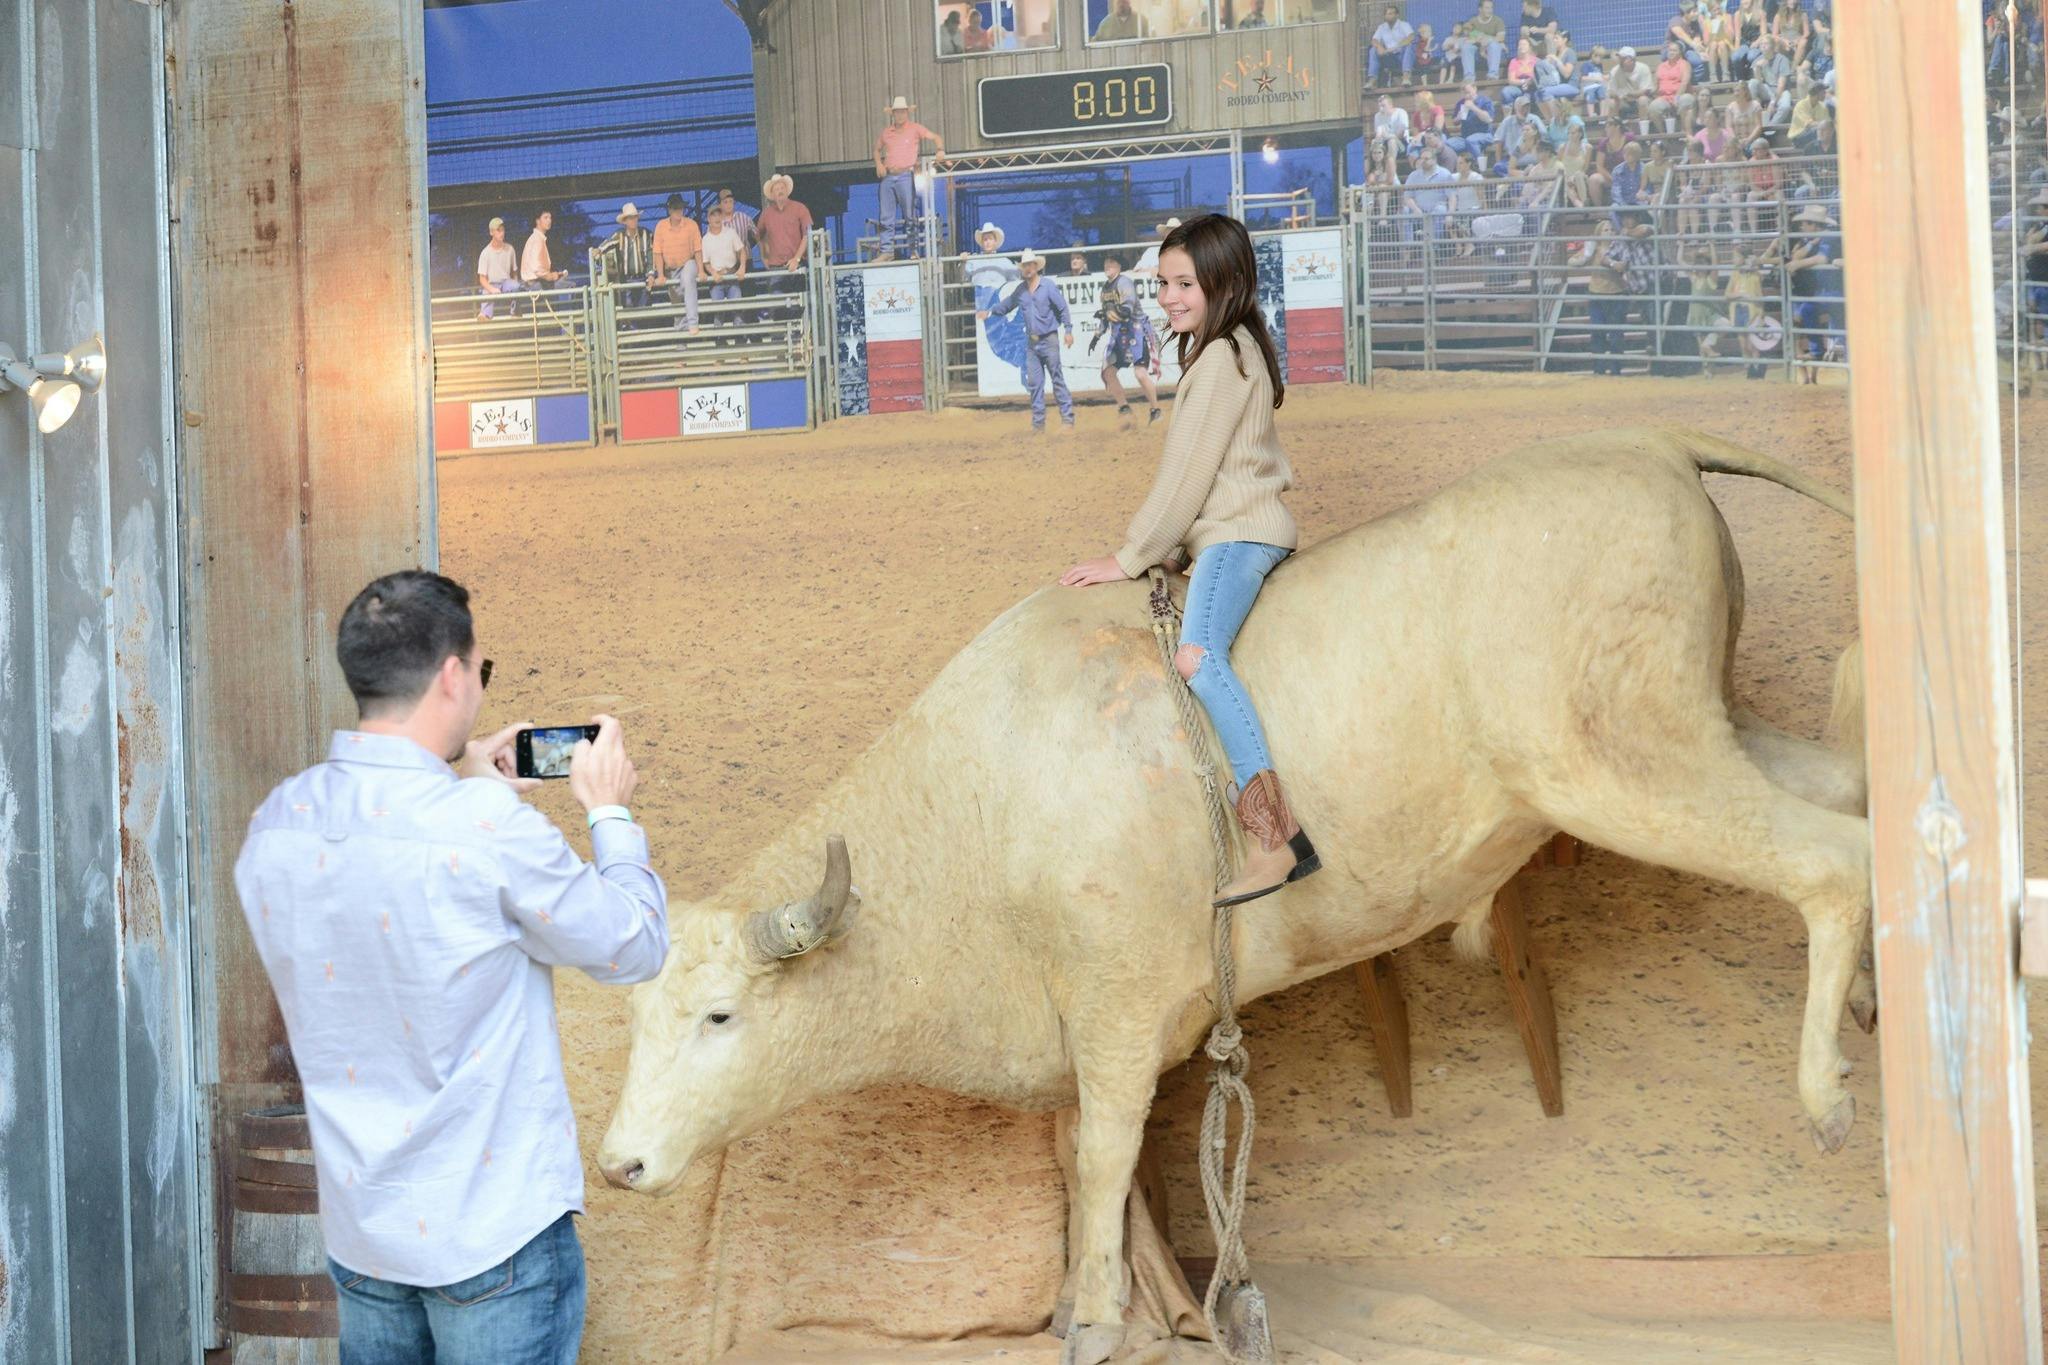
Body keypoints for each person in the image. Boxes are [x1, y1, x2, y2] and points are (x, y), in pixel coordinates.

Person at [235, 570, 667, 1365]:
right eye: (479, 669)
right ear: (451, 675)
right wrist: (610, 811)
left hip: (365, 1232)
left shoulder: (279, 819)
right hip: (490, 1234)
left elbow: (378, 862)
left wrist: (457, 771)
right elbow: (634, 944)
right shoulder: (486, 829)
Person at [1059, 215, 1320, 907]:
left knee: (1198, 657)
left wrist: (1133, 555)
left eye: (1184, 284)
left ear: (1222, 283)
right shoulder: (1236, 349)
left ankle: (1274, 840)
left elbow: (1185, 478)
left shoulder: (1218, 362)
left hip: (1239, 533)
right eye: (1164, 283)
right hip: (1232, 526)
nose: (1169, 297)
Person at [977, 248, 1075, 431]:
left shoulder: (1047, 286)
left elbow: (1062, 308)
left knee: (1056, 379)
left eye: (1030, 265)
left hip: (1049, 338)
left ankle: (1067, 420)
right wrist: (990, 312)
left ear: (1036, 267)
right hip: (1032, 342)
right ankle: (1039, 424)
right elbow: (1007, 305)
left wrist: (1068, 330)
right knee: (1035, 383)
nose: (1028, 269)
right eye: (1025, 266)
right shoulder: (1021, 290)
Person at [1092, 252, 1164, 424]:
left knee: (1140, 373)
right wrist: (1097, 335)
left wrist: (1108, 313)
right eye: (1106, 263)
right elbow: (1105, 317)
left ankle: (1155, 410)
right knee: (1108, 371)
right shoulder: (1105, 289)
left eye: (1112, 263)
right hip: (1120, 335)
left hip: (1137, 332)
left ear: (1118, 267)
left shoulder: (1124, 282)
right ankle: (1124, 408)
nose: (1107, 266)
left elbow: (1127, 309)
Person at [874, 96, 943, 260]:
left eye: (903, 112)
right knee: (886, 216)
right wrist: (879, 165)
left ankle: (913, 249)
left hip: (905, 174)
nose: (900, 115)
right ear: (893, 114)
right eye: (897, 112)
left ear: (907, 113)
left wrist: (940, 149)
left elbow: (935, 137)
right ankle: (886, 251)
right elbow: (876, 149)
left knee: (909, 215)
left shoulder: (915, 128)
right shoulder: (887, 132)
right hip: (889, 175)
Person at [651, 194, 703, 334]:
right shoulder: (661, 226)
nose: (678, 210)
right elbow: (657, 252)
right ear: (669, 210)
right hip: (670, 269)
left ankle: (693, 322)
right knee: (677, 304)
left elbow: (698, 249)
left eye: (680, 208)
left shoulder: (691, 224)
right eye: (675, 208)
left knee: (688, 281)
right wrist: (661, 274)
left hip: (688, 263)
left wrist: (702, 271)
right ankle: (682, 342)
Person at [596, 202, 656, 309]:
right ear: (625, 221)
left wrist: (651, 275)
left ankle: (639, 325)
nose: (633, 220)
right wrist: (598, 251)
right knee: (628, 307)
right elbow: (606, 245)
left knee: (644, 307)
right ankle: (631, 326)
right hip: (626, 280)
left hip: (643, 278)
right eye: (630, 218)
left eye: (635, 217)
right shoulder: (619, 235)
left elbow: (651, 255)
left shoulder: (646, 234)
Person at [700, 202, 748, 323]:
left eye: (718, 215)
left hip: (732, 276)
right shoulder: (705, 239)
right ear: (708, 219)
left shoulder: (731, 232)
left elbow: (742, 251)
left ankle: (739, 340)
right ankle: (719, 340)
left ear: (722, 217)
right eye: (713, 215)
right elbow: (705, 263)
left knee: (738, 311)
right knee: (718, 313)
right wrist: (713, 273)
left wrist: (742, 267)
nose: (716, 218)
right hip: (716, 280)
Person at [475, 217, 520, 319]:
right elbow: (482, 279)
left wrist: (516, 285)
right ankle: (485, 315)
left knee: (516, 286)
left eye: (503, 230)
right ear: (491, 232)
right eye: (498, 230)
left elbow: (515, 272)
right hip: (492, 283)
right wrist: (492, 289)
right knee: (486, 291)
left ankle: (515, 313)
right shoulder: (485, 253)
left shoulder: (510, 249)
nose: (502, 233)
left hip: (506, 282)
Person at [1650, 41, 1698, 135]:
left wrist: (1677, 97)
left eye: (1674, 50)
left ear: (1680, 53)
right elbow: (1655, 85)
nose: (1671, 52)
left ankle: (1685, 132)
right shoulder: (1661, 66)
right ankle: (1663, 135)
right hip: (1664, 98)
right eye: (1670, 50)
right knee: (1653, 107)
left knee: (1686, 100)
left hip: (1680, 95)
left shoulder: (1684, 64)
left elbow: (1684, 82)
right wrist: (1652, 93)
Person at [1457, 0, 1509, 81]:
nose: (1490, 10)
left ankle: (1493, 75)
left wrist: (1488, 39)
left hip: (1491, 45)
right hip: (1477, 46)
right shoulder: (1472, 21)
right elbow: (1469, 36)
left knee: (1494, 45)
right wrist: (1479, 39)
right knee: (1466, 47)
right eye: (1487, 8)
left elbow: (1500, 37)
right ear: (1480, 9)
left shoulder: (1498, 20)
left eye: (1491, 8)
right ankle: (1469, 77)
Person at [1369, 4, 1416, 85]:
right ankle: (1372, 80)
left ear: (1397, 15)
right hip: (1389, 57)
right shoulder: (1382, 27)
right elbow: (1374, 40)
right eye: (1387, 14)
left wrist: (1396, 47)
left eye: (1391, 13)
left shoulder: (1404, 25)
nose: (1388, 16)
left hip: (1401, 57)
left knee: (1409, 46)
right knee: (1373, 50)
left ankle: (1406, 77)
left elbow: (1411, 37)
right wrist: (1379, 46)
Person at [1447, 81, 1497, 158]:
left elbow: (1488, 119)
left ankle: (1479, 165)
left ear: (1475, 89)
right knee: (1447, 144)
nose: (1467, 96)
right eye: (1464, 94)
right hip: (1465, 137)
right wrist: (1458, 117)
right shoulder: (1461, 103)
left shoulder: (1485, 101)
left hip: (1485, 135)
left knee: (1471, 140)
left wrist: (1473, 107)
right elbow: (1455, 122)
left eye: (1468, 92)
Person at [520, 211, 567, 290]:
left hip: (535, 284)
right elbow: (538, 270)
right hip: (535, 285)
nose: (549, 220)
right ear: (537, 221)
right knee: (570, 285)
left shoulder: (538, 238)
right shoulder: (537, 240)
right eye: (545, 218)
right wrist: (552, 276)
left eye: (550, 218)